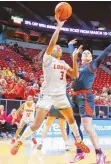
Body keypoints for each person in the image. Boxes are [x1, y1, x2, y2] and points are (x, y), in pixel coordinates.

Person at [11, 16, 90, 155]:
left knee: (71, 119)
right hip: (47, 95)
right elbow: (52, 43)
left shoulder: (64, 63)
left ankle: (78, 140)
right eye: (57, 47)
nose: (59, 48)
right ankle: (19, 142)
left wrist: (73, 58)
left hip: (60, 95)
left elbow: (75, 75)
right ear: (52, 50)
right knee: (36, 124)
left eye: (60, 47)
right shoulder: (47, 59)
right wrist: (59, 27)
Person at [68, 32, 111, 163]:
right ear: (81, 57)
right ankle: (80, 152)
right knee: (74, 127)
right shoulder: (78, 65)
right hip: (75, 97)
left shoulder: (93, 64)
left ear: (91, 57)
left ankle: (100, 153)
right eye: (84, 53)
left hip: (85, 97)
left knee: (87, 127)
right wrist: (70, 44)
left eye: (89, 53)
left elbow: (106, 52)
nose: (86, 53)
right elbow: (73, 54)